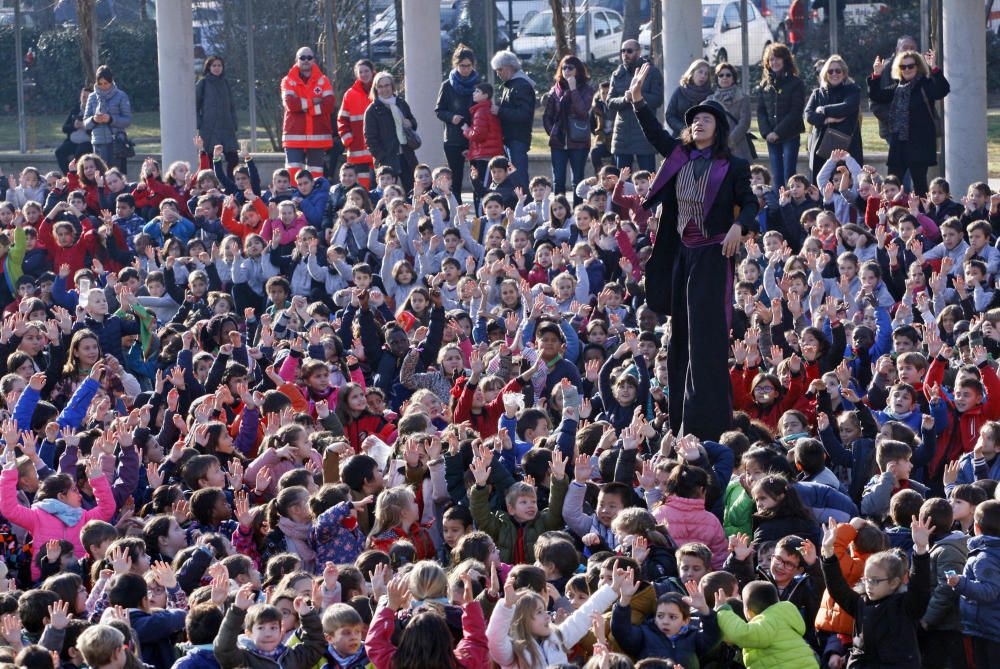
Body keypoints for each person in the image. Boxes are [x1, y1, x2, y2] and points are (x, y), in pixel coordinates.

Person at [629, 63, 758, 441]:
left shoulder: (733, 165)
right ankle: (681, 422)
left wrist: (738, 226)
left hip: (712, 256)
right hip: (681, 254)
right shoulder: (680, 155)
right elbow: (654, 133)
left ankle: (710, 425)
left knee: (706, 339)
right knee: (680, 337)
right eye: (695, 119)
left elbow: (750, 204)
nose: (699, 123)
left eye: (707, 119)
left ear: (719, 129)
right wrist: (637, 101)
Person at [867, 48, 949, 196]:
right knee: (892, 182)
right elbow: (877, 96)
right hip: (899, 143)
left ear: (917, 66)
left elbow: (942, 90)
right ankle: (893, 214)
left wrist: (934, 68)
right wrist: (876, 75)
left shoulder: (925, 84)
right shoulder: (897, 88)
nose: (907, 69)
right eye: (903, 67)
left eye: (910, 66)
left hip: (920, 144)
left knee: (920, 185)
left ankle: (921, 216)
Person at [543, 55, 594, 203]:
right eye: (563, 67)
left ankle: (578, 214)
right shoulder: (556, 89)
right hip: (558, 141)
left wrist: (573, 90)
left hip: (578, 141)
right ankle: (560, 211)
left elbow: (582, 111)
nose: (566, 70)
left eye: (570, 67)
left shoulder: (586, 89)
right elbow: (547, 115)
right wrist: (552, 132)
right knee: (558, 180)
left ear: (577, 70)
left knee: (577, 180)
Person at [607, 39, 663, 172]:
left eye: (629, 51)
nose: (625, 54)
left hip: (644, 131)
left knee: (648, 178)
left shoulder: (652, 72)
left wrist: (637, 96)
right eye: (623, 51)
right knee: (623, 181)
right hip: (623, 134)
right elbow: (609, 102)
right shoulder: (617, 74)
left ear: (638, 52)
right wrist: (625, 99)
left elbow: (657, 100)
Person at [280, 46, 336, 179]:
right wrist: (314, 101)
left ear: (314, 60)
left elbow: (329, 105)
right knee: (293, 175)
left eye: (309, 58)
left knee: (316, 176)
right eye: (302, 58)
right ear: (296, 60)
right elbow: (291, 105)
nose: (306, 60)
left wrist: (305, 107)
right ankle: (292, 200)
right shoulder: (287, 81)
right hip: (294, 135)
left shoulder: (323, 80)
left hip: (317, 136)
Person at [805, 54, 863, 181]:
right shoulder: (817, 94)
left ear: (844, 73)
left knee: (849, 187)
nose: (834, 74)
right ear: (825, 73)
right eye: (830, 71)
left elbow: (847, 107)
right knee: (820, 187)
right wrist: (827, 120)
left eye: (838, 70)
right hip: (821, 149)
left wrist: (824, 109)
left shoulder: (853, 90)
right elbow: (809, 115)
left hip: (847, 148)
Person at [436, 44, 479, 203]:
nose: (466, 69)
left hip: (475, 137)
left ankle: (479, 208)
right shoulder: (447, 85)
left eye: (468, 66)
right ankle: (456, 209)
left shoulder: (478, 84)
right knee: (456, 177)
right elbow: (439, 110)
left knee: (477, 177)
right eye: (462, 66)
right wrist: (451, 116)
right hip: (454, 138)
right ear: (456, 65)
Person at [757, 43, 805, 186]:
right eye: (771, 59)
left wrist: (778, 132)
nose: (774, 62)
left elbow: (796, 111)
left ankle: (790, 205)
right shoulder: (764, 85)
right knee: (776, 176)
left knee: (788, 174)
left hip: (790, 135)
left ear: (785, 60)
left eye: (778, 58)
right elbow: (761, 112)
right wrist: (767, 133)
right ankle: (778, 205)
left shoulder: (796, 83)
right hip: (771, 137)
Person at [363, 72, 419, 196]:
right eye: (380, 86)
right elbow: (370, 140)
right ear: (376, 89)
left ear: (392, 86)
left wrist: (410, 123)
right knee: (388, 194)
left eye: (387, 85)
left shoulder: (401, 103)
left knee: (412, 191)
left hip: (406, 155)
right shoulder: (372, 110)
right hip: (387, 159)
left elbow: (413, 122)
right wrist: (382, 156)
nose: (384, 89)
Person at [490, 50, 536, 191]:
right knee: (513, 175)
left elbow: (524, 114)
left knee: (518, 175)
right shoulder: (511, 85)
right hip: (511, 137)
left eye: (499, 69)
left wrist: (500, 111)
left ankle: (526, 205)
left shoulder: (520, 86)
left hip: (517, 137)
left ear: (509, 67)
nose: (498, 73)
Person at [870, 35, 920, 141]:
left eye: (912, 48)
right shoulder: (885, 69)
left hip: (918, 129)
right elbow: (876, 104)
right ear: (897, 50)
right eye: (905, 47)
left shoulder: (922, 68)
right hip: (893, 131)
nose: (909, 51)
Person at [83, 65, 132, 173]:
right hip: (98, 143)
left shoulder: (121, 96)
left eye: (106, 83)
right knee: (100, 176)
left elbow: (127, 120)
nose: (103, 86)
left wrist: (110, 119)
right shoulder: (92, 97)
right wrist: (94, 120)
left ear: (111, 81)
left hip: (116, 143)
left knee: (116, 176)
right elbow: (86, 123)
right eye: (100, 84)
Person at [196, 56, 239, 178]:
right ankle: (211, 185)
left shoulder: (225, 83)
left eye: (219, 65)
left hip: (227, 128)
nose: (216, 68)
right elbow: (195, 105)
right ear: (208, 67)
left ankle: (231, 183)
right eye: (214, 65)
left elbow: (231, 105)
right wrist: (200, 124)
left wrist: (234, 123)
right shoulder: (203, 83)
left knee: (233, 158)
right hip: (209, 129)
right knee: (209, 160)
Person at [338, 59, 376, 189]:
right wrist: (348, 140)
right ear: (356, 74)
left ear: (373, 72)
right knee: (360, 187)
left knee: (378, 184)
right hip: (357, 150)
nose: (364, 74)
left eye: (366, 71)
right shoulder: (349, 94)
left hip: (377, 150)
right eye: (361, 72)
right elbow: (342, 120)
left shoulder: (381, 89)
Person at [706, 63, 753, 161]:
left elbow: (744, 123)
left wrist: (729, 141)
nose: (724, 78)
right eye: (721, 75)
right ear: (717, 78)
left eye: (728, 75)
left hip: (738, 146)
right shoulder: (710, 100)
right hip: (716, 146)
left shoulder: (744, 98)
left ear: (734, 78)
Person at [665, 60, 713, 138]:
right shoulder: (680, 91)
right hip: (681, 137)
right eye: (700, 72)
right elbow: (670, 115)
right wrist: (684, 129)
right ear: (692, 72)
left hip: (703, 139)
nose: (703, 76)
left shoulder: (710, 95)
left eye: (706, 74)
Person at [55, 87, 94, 174]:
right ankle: (67, 175)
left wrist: (85, 126)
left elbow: (97, 130)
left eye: (88, 97)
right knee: (59, 152)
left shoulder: (94, 111)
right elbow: (64, 128)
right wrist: (74, 126)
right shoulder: (75, 110)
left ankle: (78, 177)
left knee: (79, 153)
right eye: (83, 97)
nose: (85, 100)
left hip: (87, 142)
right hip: (72, 141)